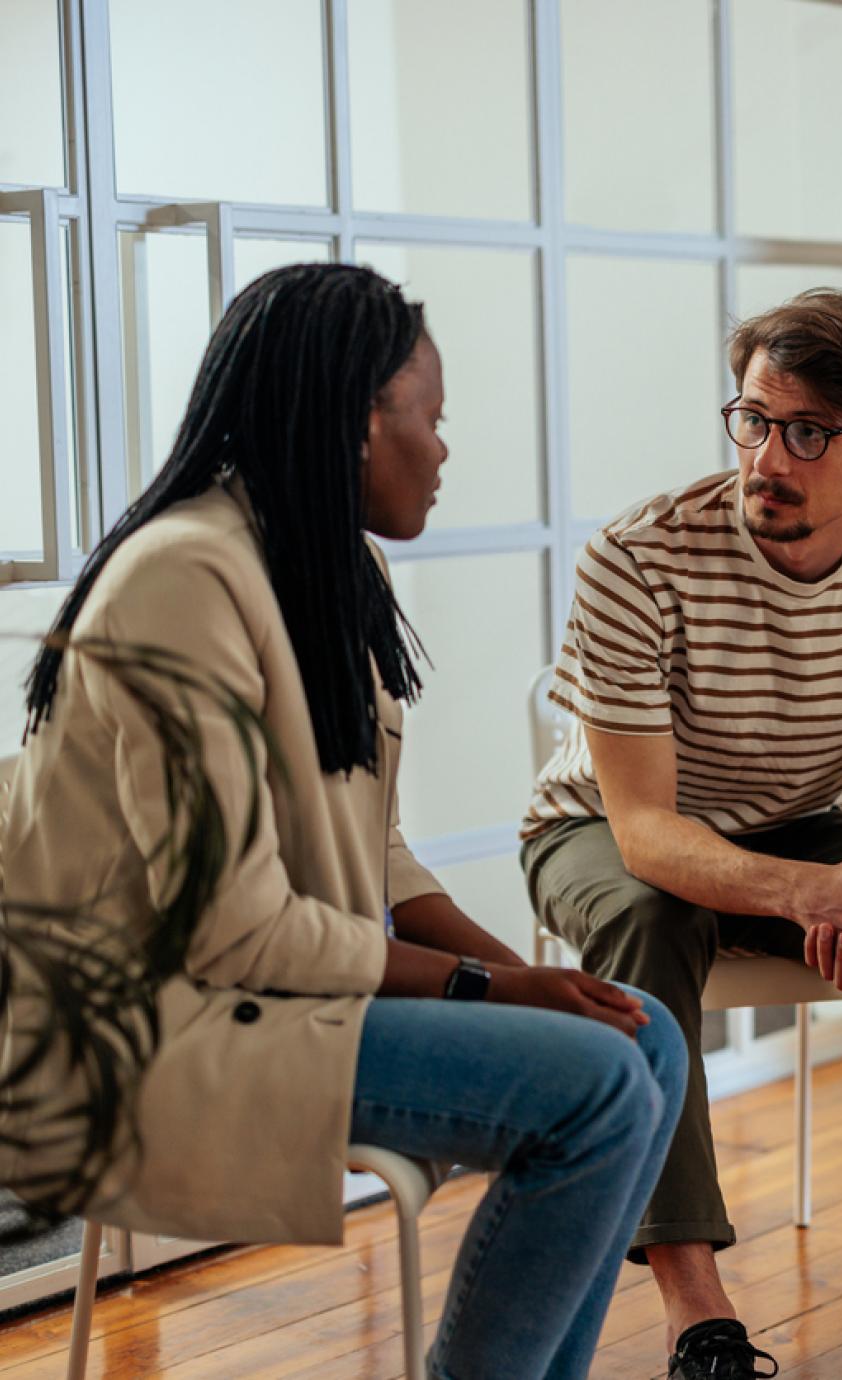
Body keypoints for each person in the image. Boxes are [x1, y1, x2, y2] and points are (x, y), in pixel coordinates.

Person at [0, 264, 687, 1380]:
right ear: (356, 421)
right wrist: (495, 992)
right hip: (154, 1028)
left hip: (270, 999)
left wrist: (523, 975)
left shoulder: (321, 562)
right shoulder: (182, 579)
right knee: (597, 1090)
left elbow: (371, 848)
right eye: (432, 416)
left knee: (639, 1033)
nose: (444, 447)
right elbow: (234, 928)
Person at [519, 289, 842, 1379]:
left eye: (810, 433)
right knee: (646, 914)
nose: (768, 457)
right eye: (753, 418)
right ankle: (700, 1319)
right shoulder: (637, 558)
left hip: (807, 823)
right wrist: (800, 895)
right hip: (602, 829)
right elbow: (640, 830)